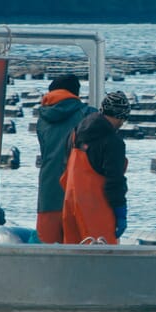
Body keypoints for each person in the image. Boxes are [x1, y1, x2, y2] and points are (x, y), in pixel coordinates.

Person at [60, 91, 130, 244]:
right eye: (123, 118)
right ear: (119, 116)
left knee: (72, 258)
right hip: (96, 212)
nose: (122, 123)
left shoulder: (76, 132)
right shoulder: (113, 142)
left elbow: (65, 167)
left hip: (70, 206)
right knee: (102, 260)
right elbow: (115, 181)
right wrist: (120, 210)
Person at [35, 74, 92, 243]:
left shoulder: (42, 119)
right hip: (77, 194)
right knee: (78, 254)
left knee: (46, 255)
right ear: (76, 93)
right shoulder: (88, 115)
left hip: (48, 194)